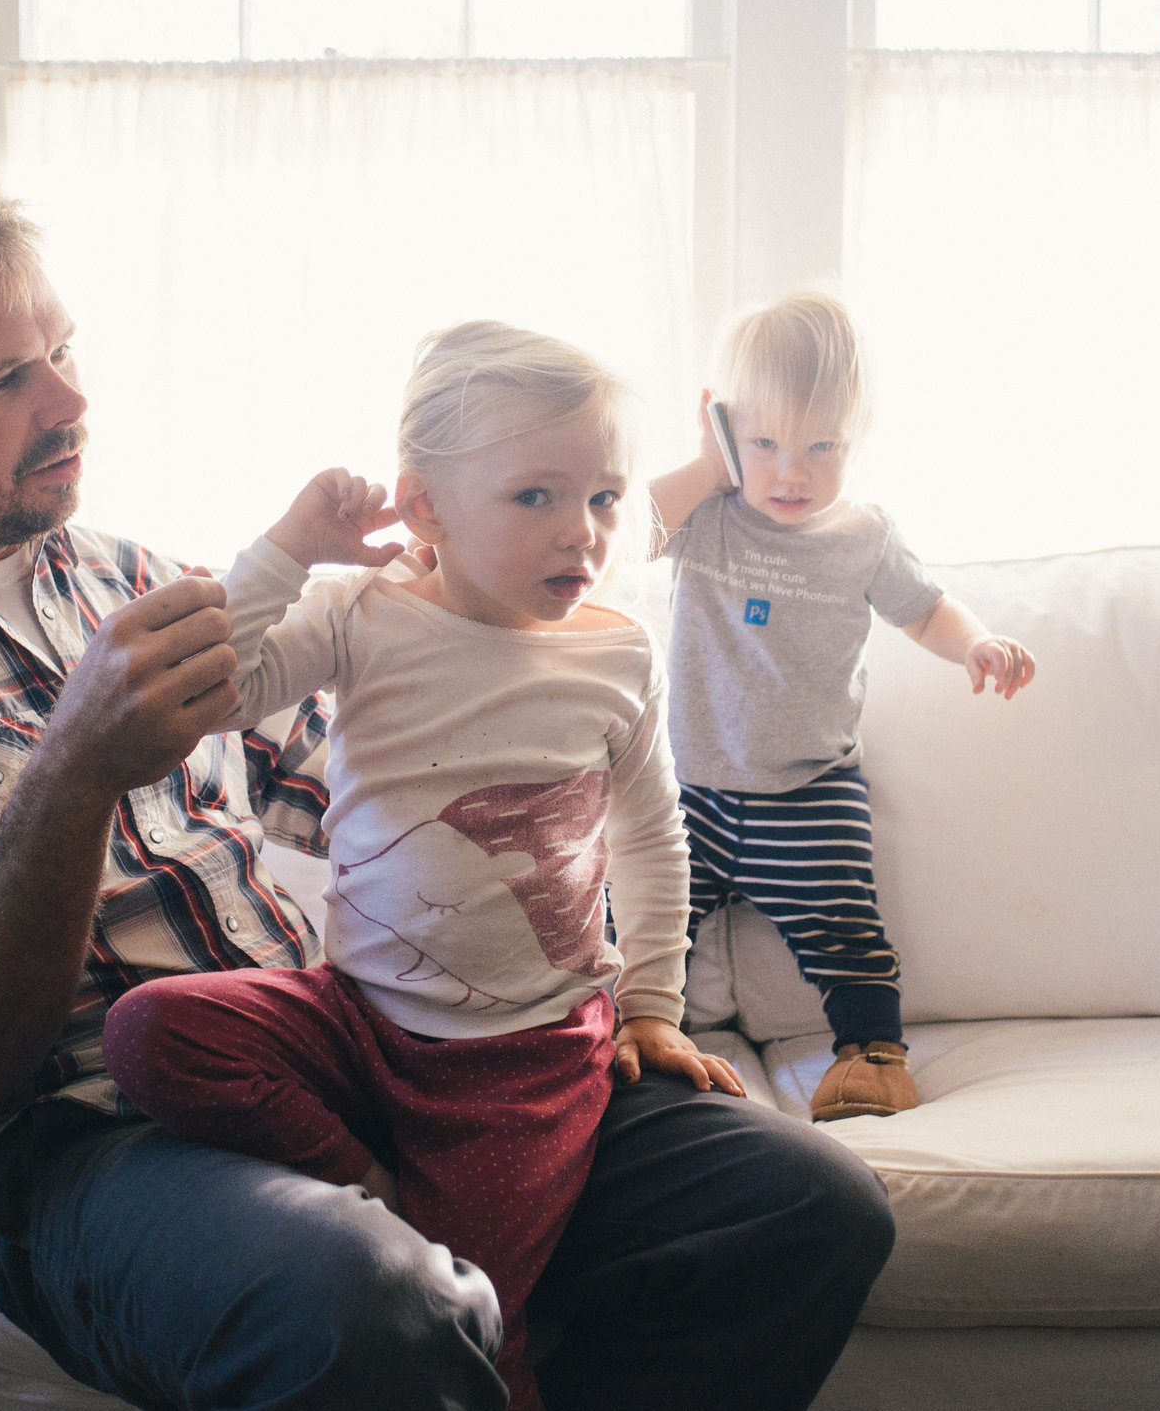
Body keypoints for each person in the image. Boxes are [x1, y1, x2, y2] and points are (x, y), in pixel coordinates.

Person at [0, 165, 894, 1411]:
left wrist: (476, 642)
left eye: (63, 350)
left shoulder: (134, 580)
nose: (71, 399)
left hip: (347, 1055)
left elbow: (394, 793)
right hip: (91, 1146)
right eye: (3, 381)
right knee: (366, 1298)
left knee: (810, 1206)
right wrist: (76, 768)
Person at [102, 323, 744, 1411]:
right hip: (355, 1017)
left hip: (522, 1063)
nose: (580, 531)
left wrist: (651, 1006)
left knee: (466, 1324)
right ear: (426, 508)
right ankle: (367, 1183)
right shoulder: (361, 612)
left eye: (601, 497)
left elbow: (649, 836)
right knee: (150, 1032)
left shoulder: (616, 652)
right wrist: (291, 546)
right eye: (534, 495)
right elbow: (224, 690)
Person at [649, 291, 1037, 1122]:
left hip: (811, 787)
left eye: (822, 445)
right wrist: (707, 465)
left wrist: (973, 644)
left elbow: (926, 607)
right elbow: (618, 531)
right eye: (764, 443)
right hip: (690, 790)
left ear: (855, 437)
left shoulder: (863, 534)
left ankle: (872, 1056)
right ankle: (628, 1040)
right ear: (722, 430)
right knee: (642, 922)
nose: (793, 472)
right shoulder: (705, 519)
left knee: (848, 928)